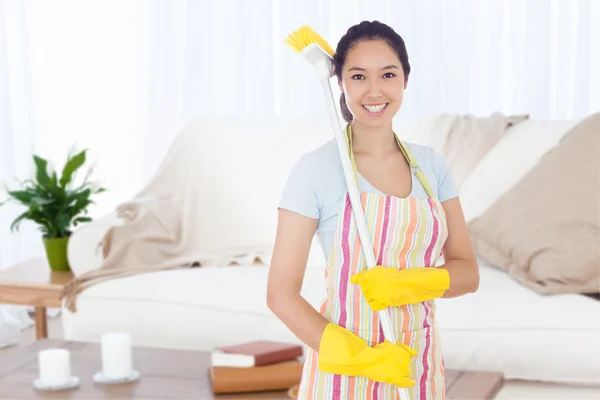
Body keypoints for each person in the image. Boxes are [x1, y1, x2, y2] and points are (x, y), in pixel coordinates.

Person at [267, 20, 480, 399]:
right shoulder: (316, 169)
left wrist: (410, 284)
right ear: (341, 84)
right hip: (343, 376)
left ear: (405, 81)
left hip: (415, 367)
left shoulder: (431, 166)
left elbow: (467, 273)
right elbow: (281, 294)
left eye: (388, 74)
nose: (374, 90)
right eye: (359, 76)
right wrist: (362, 358)